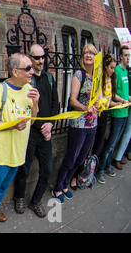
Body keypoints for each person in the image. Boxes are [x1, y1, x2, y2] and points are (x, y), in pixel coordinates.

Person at [0, 53, 39, 233]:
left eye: (31, 68)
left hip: (19, 151)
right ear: (15, 71)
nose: (32, 71)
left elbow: (33, 120)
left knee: (4, 186)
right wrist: (12, 125)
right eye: (27, 68)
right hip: (1, 152)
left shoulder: (29, 89)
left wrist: (35, 102)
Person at [14, 44, 59, 218]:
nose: (40, 61)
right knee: (24, 168)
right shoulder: (27, 81)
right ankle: (19, 197)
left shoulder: (49, 78)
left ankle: (36, 201)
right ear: (30, 59)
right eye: (36, 58)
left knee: (47, 170)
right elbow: (23, 109)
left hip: (46, 132)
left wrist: (50, 125)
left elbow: (56, 104)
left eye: (42, 57)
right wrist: (39, 126)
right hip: (30, 132)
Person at [52, 44, 98, 203]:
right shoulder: (79, 74)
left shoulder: (97, 77)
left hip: (93, 125)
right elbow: (72, 100)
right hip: (79, 124)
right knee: (71, 157)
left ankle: (66, 184)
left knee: (81, 159)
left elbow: (100, 98)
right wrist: (86, 107)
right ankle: (58, 187)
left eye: (91, 53)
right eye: (85, 52)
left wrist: (101, 103)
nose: (88, 55)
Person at [96, 46, 130, 184]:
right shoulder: (115, 70)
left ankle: (107, 165)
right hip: (117, 112)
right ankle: (101, 169)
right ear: (121, 56)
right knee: (110, 143)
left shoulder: (124, 71)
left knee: (114, 142)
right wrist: (121, 102)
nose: (128, 58)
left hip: (124, 111)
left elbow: (120, 92)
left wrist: (126, 98)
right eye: (126, 55)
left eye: (129, 55)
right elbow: (112, 94)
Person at [91, 54, 122, 159]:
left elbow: (109, 99)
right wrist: (113, 104)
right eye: (111, 68)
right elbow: (100, 100)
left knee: (99, 143)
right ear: (105, 66)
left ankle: (93, 169)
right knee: (92, 143)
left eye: (114, 68)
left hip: (105, 114)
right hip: (96, 114)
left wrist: (119, 102)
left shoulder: (110, 79)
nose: (113, 70)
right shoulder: (100, 79)